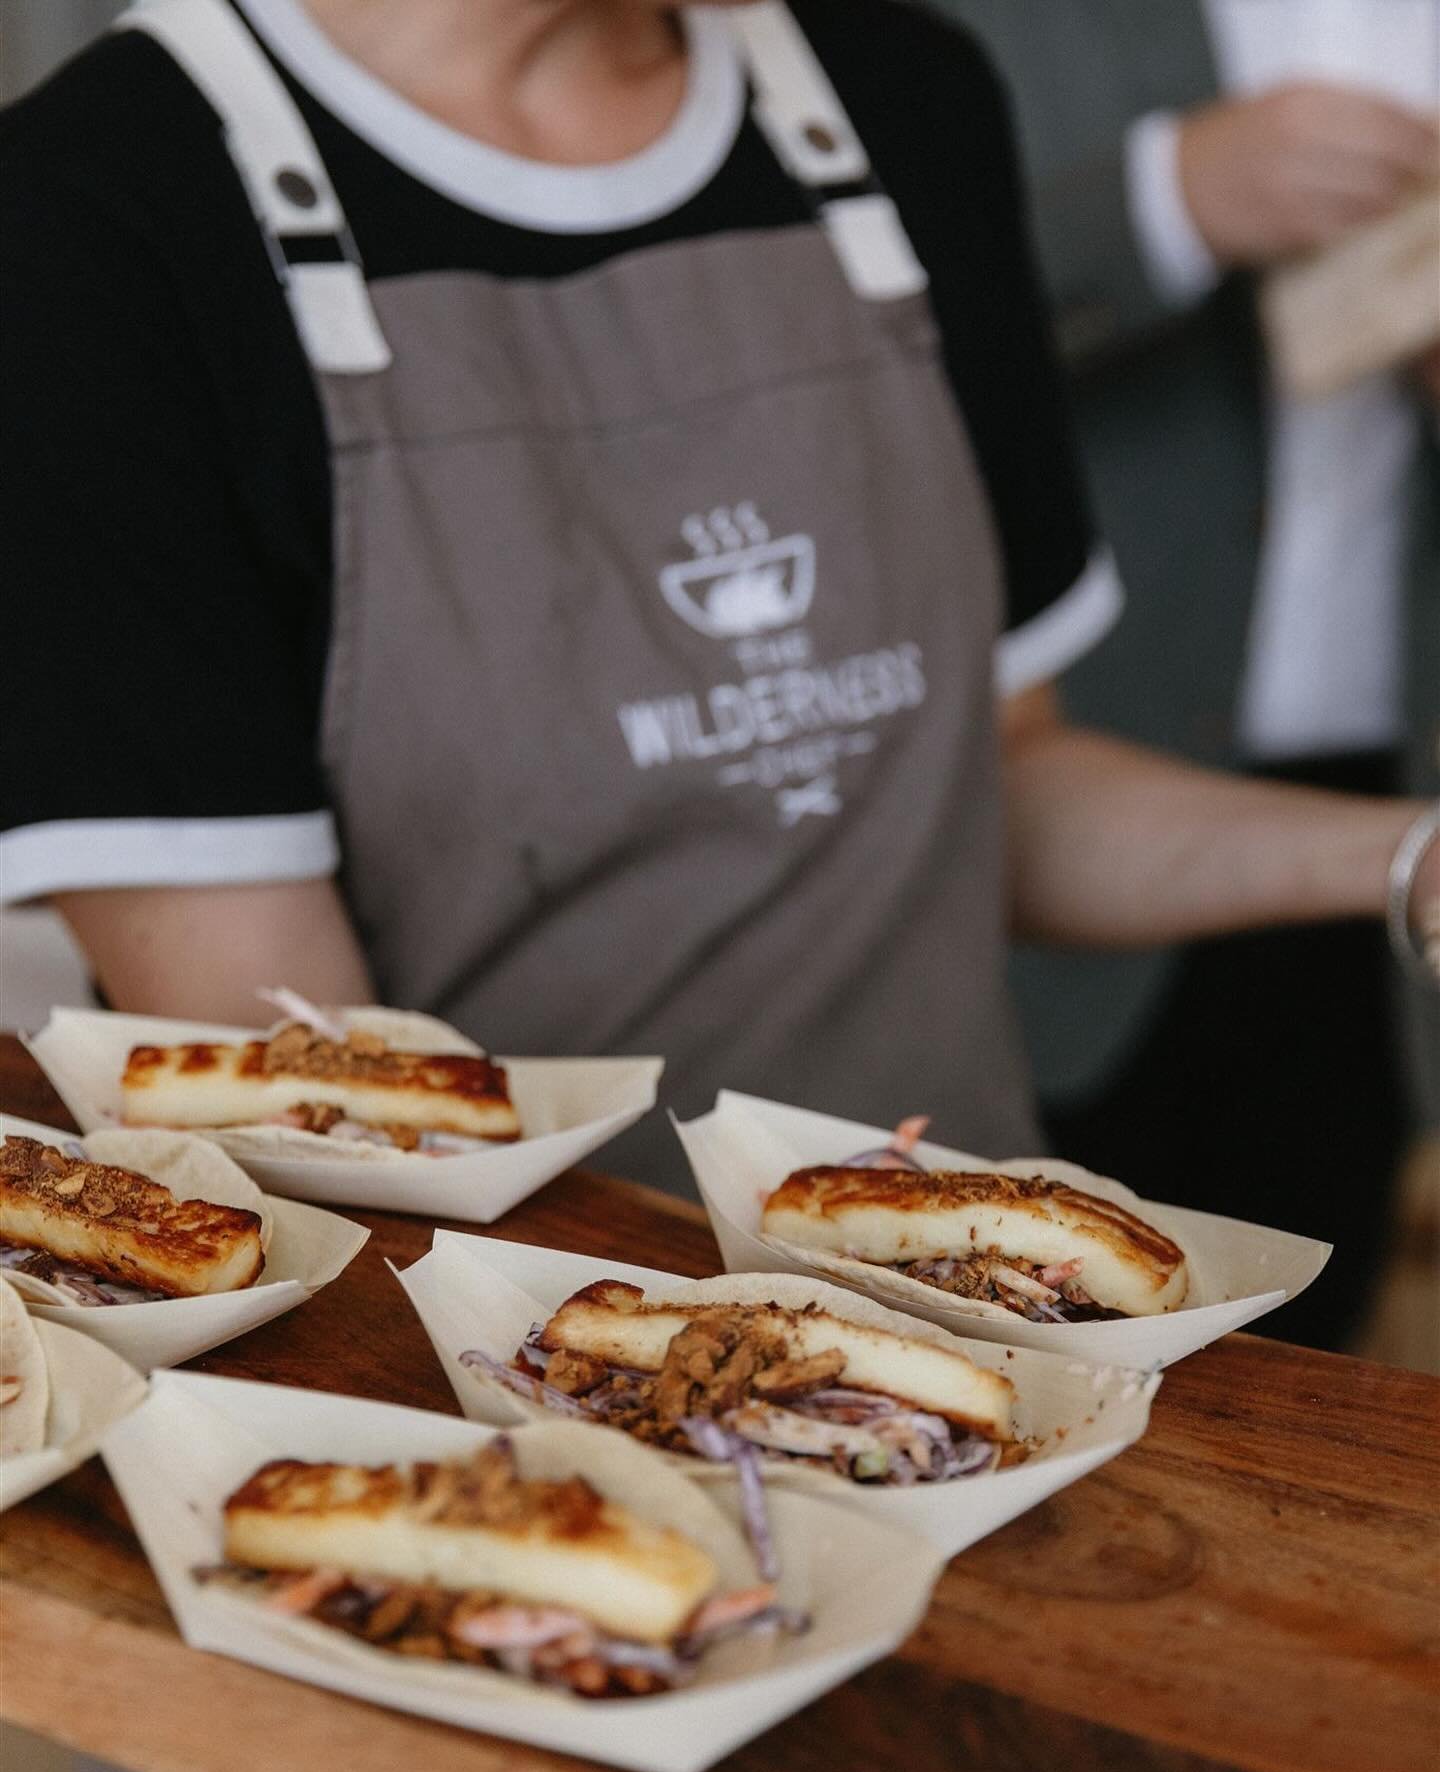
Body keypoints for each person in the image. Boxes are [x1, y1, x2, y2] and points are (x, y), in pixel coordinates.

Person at [1, 0, 1436, 1201]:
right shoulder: (95, 219)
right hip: (489, 1389)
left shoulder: (898, 100)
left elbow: (997, 790)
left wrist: (1406, 856)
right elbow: (301, 1096)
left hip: (984, 1296)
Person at [939, 0, 1440, 1346]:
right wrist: (1165, 200)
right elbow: (833, 308)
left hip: (1387, 776)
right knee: (1000, 1326)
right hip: (1053, 759)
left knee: (1295, 1342)